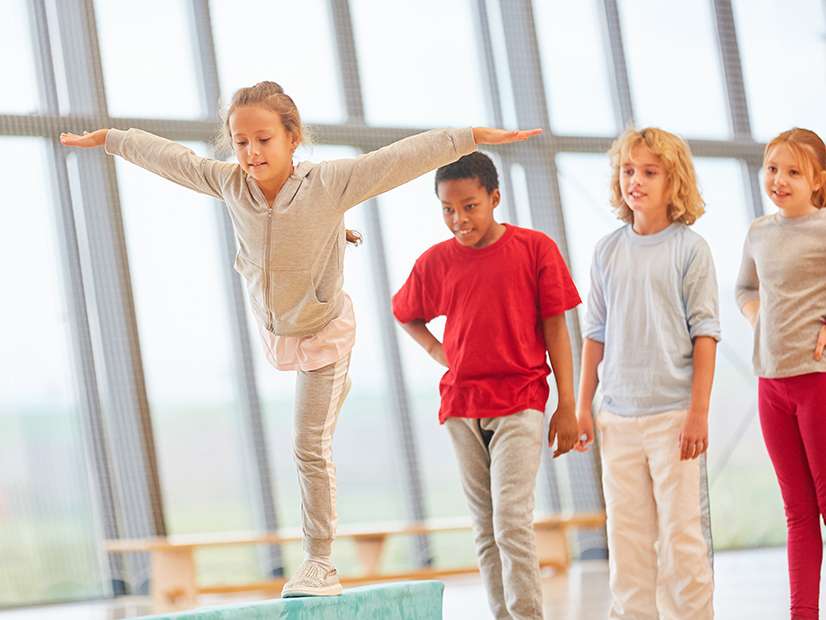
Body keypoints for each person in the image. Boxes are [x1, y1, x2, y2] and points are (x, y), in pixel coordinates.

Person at [60, 80, 541, 598]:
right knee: (307, 439)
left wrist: (467, 136)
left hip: (323, 335)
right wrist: (112, 138)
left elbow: (400, 158)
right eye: (241, 141)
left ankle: (320, 562)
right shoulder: (229, 184)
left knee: (308, 445)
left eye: (263, 139)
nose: (251, 152)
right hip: (277, 330)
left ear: (292, 138)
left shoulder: (329, 183)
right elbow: (170, 158)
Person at [392, 152, 580, 619]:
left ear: (495, 198)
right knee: (484, 527)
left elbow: (557, 327)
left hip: (521, 399)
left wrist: (568, 404)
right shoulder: (435, 262)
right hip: (460, 405)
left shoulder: (535, 249)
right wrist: (439, 352)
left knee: (511, 522)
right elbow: (406, 313)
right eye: (448, 209)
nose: (459, 219)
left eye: (470, 206)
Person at [575, 127, 719, 619]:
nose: (636, 180)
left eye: (650, 172)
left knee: (682, 542)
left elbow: (706, 334)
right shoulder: (606, 251)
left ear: (672, 180)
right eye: (628, 170)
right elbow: (594, 333)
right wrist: (582, 409)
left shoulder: (691, 249)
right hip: (616, 418)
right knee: (628, 541)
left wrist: (698, 413)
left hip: (674, 420)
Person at [735, 127, 826, 620]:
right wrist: (756, 317)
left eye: (793, 171)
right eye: (773, 168)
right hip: (771, 384)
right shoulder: (757, 232)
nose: (780, 179)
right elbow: (745, 287)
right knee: (797, 511)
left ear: (818, 182)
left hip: (818, 381)